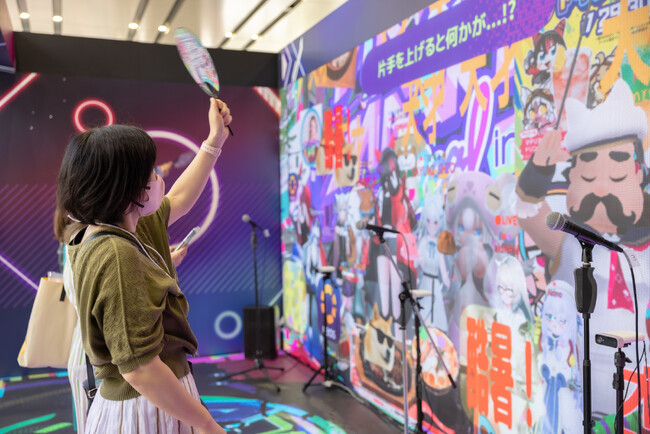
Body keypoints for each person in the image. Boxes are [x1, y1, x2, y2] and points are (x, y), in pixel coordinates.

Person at [57, 98, 231, 434]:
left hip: (158, 400)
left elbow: (179, 199)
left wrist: (215, 141)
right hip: (146, 409)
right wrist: (208, 425)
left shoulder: (118, 225)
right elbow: (141, 369)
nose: (158, 176)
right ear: (127, 188)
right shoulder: (116, 253)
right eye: (150, 171)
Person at [516, 79, 649, 418]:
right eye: (588, 180)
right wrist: (538, 171)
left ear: (639, 174)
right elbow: (528, 211)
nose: (601, 190)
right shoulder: (572, 242)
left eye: (617, 178)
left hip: (641, 396)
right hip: (578, 393)